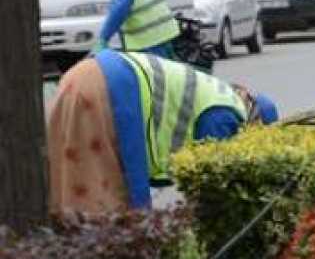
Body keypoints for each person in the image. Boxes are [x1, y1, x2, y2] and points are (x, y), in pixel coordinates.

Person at [47, 51, 278, 214]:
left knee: (70, 182)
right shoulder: (225, 116)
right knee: (106, 204)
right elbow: (211, 190)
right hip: (111, 89)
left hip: (83, 75)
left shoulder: (219, 93)